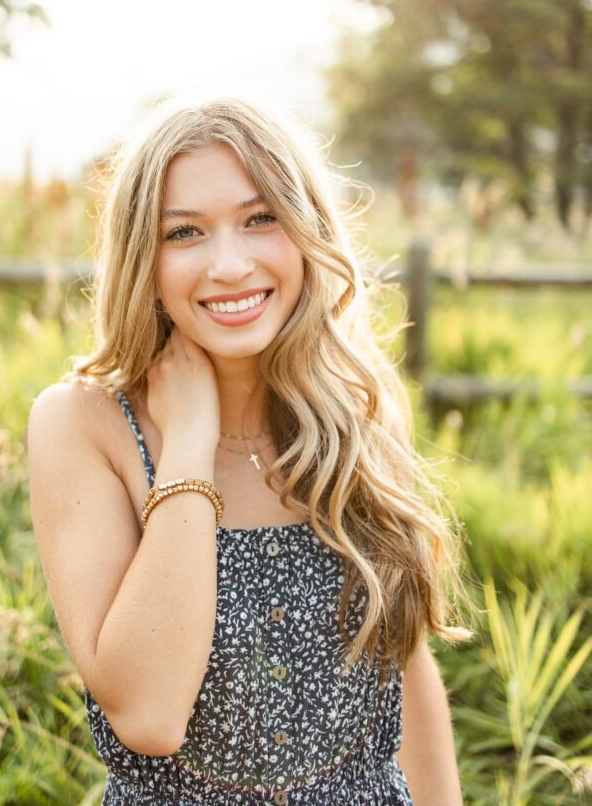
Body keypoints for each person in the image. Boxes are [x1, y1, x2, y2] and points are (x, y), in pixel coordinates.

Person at [27, 95, 467, 806]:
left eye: (259, 219)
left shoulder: (360, 408)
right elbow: (148, 715)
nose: (228, 264)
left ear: (305, 230)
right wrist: (189, 445)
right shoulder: (83, 425)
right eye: (185, 232)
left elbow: (404, 669)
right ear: (144, 254)